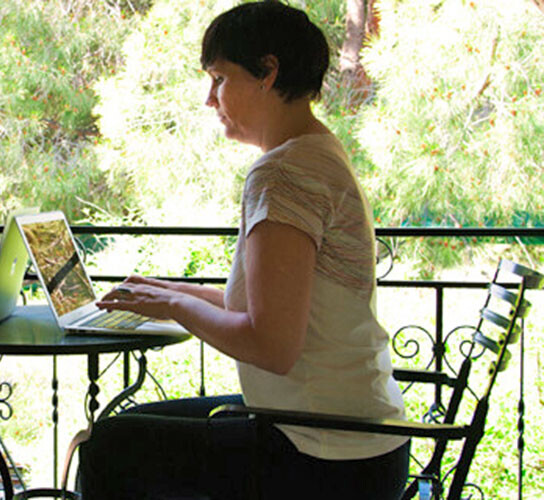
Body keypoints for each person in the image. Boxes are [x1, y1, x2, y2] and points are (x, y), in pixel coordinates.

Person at [78, 2, 410, 499]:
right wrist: (172, 291)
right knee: (132, 428)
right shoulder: (317, 151)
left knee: (113, 446)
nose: (211, 99)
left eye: (218, 78)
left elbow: (271, 346)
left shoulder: (283, 174)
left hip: (323, 457)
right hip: (359, 443)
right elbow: (269, 309)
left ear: (267, 73)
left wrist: (174, 305)